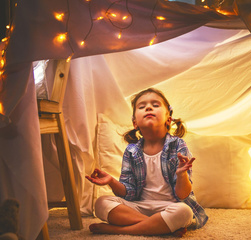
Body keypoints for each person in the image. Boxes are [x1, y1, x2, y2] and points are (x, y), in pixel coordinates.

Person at [85, 88, 208, 236]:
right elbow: (128, 194)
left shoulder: (178, 145)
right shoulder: (131, 151)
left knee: (184, 212)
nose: (148, 107)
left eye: (155, 105)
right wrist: (111, 181)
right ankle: (161, 228)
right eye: (142, 107)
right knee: (101, 203)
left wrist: (182, 175)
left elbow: (182, 195)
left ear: (168, 120)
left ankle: (118, 230)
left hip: (170, 206)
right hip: (138, 206)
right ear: (135, 123)